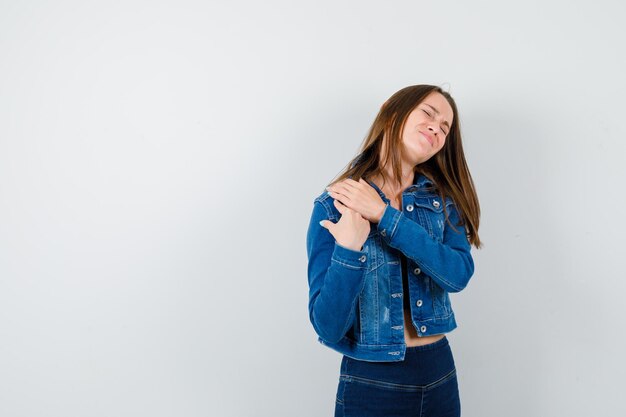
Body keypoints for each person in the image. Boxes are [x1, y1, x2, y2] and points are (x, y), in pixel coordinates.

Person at [305, 84, 482, 416]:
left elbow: (458, 276)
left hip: (439, 370)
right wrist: (348, 248)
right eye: (428, 113)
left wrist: (386, 217)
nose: (436, 127)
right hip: (373, 382)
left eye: (445, 127)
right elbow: (328, 326)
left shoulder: (442, 202)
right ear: (392, 109)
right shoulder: (334, 206)